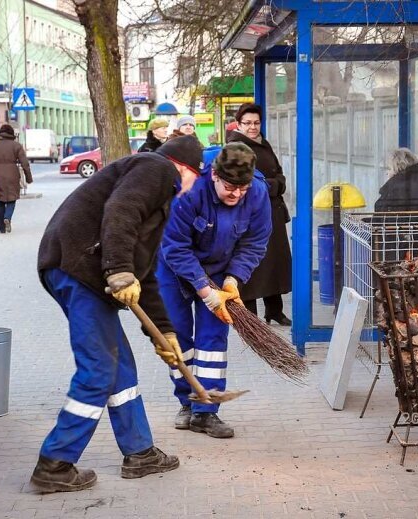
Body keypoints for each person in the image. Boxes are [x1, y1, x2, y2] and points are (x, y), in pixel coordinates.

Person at [31, 136, 204, 493]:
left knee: (120, 366)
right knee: (98, 370)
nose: (190, 189)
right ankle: (55, 463)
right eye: (194, 180)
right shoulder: (156, 168)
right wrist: (118, 270)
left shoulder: (159, 197)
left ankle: (140, 452)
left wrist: (164, 332)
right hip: (79, 270)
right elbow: (120, 210)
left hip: (83, 272)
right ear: (187, 170)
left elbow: (147, 274)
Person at [158, 142, 272, 438]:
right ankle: (187, 401)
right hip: (173, 268)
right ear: (215, 177)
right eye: (230, 188)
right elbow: (175, 246)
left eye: (242, 189)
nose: (236, 194)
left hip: (221, 269)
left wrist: (233, 280)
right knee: (178, 337)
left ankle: (206, 412)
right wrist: (204, 290)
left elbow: (254, 242)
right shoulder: (190, 190)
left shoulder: (257, 192)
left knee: (212, 339)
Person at [226, 103, 293, 325]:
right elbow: (242, 180)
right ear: (239, 124)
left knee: (274, 263)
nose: (253, 127)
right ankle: (250, 315)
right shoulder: (236, 147)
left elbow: (279, 174)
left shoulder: (263, 144)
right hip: (251, 213)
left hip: (272, 212)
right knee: (253, 265)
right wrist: (271, 186)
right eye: (248, 123)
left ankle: (274, 310)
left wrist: (275, 184)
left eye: (256, 122)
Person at [373, 148, 418, 261]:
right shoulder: (416, 186)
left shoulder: (396, 191)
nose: (387, 172)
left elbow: (387, 223)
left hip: (396, 256)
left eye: (389, 168)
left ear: (397, 169)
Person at [0, 123, 33, 234]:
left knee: (0, 201)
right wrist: (28, 178)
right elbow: (25, 163)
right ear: (11, 134)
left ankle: (2, 228)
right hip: (12, 174)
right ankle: (8, 217)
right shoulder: (16, 146)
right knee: (12, 199)